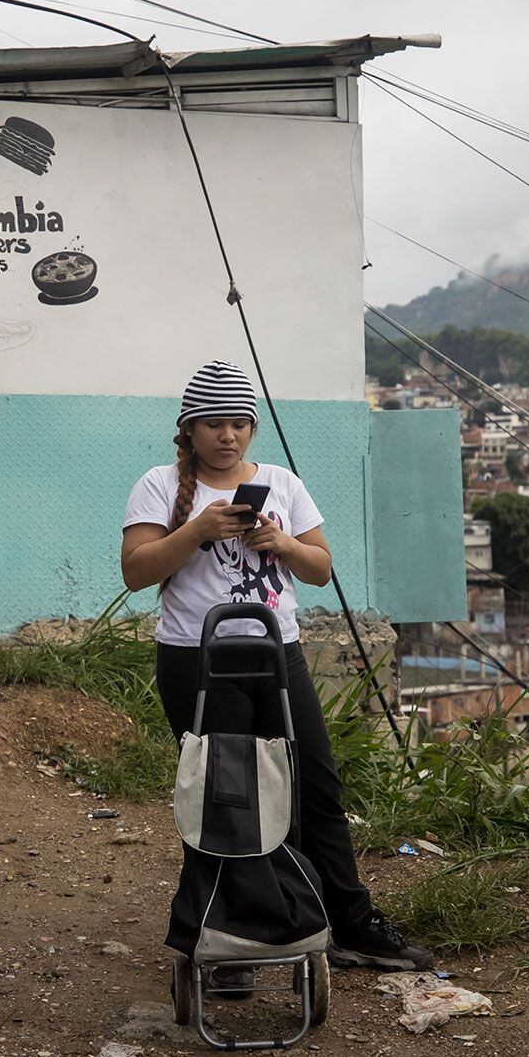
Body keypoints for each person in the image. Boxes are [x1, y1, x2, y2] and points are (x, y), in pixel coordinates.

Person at [120, 360, 434, 973]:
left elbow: (319, 567)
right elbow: (136, 572)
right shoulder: (159, 484)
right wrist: (198, 530)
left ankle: (349, 921)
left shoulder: (283, 484)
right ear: (190, 429)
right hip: (196, 658)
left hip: (277, 653)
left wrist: (282, 543)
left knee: (315, 786)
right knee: (227, 797)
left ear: (252, 429)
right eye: (214, 424)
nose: (227, 436)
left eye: (239, 424)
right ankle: (232, 936)